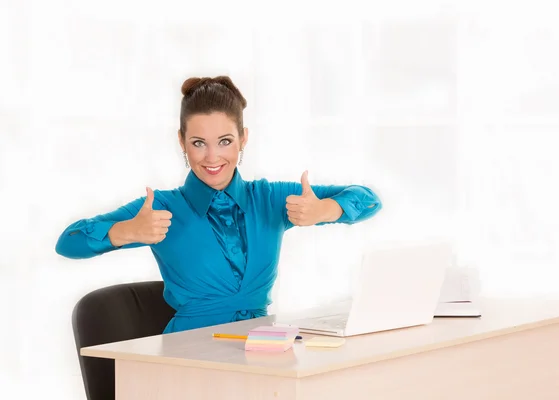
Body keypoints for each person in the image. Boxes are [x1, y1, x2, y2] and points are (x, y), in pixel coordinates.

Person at [55, 76, 382, 334]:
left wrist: (328, 210)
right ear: (181, 141)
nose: (213, 158)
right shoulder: (162, 206)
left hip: (261, 349)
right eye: (199, 143)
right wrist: (124, 231)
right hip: (188, 358)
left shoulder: (269, 199)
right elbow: (67, 243)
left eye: (225, 141)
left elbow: (368, 199)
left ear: (243, 138)